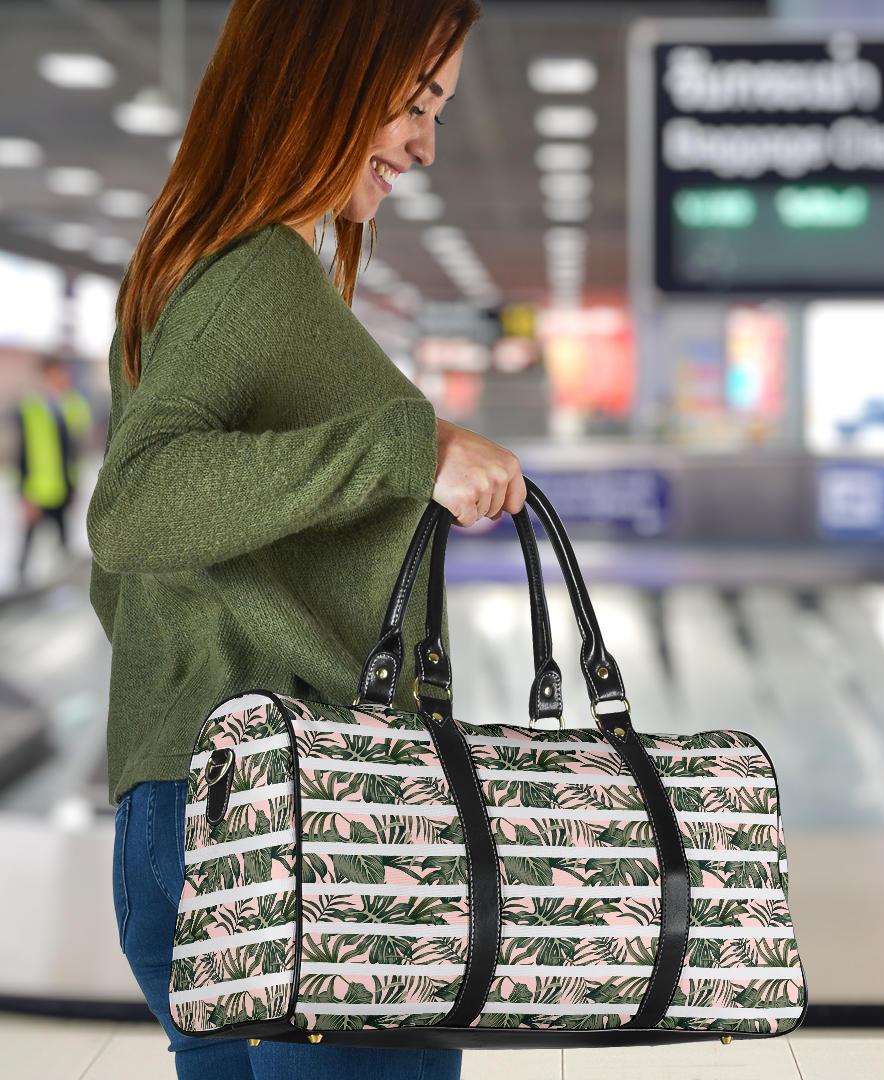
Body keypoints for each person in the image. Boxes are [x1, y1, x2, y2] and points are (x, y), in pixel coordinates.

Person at [87, 3, 521, 1077]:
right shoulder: (253, 276)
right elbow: (134, 505)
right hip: (315, 828)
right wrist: (404, 451)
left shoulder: (187, 269)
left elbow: (130, 580)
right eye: (415, 102)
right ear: (324, 69)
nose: (423, 142)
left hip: (196, 808)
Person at [13, 353, 92, 586]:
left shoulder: (70, 404)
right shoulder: (31, 407)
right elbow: (22, 453)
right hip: (37, 490)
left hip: (63, 488)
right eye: (60, 372)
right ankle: (18, 593)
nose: (65, 377)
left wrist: (73, 488)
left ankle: (61, 589)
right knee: (27, 547)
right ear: (47, 374)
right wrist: (24, 495)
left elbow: (75, 446)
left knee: (63, 545)